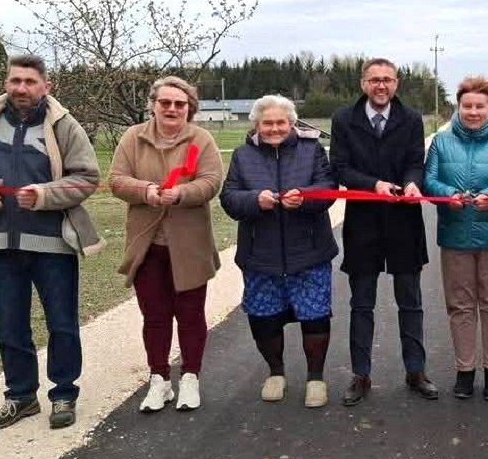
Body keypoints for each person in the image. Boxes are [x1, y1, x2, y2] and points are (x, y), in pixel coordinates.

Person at [0, 54, 104, 430]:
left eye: (30, 81)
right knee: (9, 324)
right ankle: (20, 397)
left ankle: (64, 394)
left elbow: (86, 177)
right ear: (6, 83)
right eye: (15, 80)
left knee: (62, 324)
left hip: (53, 243)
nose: (22, 88)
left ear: (45, 86)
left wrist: (45, 194)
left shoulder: (63, 125)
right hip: (1, 241)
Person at [109, 76, 223, 413]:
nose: (172, 109)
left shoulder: (201, 140)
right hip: (148, 244)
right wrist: (145, 191)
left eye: (180, 104)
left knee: (190, 314)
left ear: (190, 108)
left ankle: (190, 377)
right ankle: (159, 379)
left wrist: (181, 194)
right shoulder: (133, 137)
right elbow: (116, 179)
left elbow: (212, 181)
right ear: (153, 105)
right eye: (165, 103)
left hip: (189, 244)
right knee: (154, 316)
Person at [330, 58, 438, 405]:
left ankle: (416, 370)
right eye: (374, 80)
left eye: (387, 80)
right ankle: (360, 375)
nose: (381, 86)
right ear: (363, 83)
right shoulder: (344, 120)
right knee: (362, 303)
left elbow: (415, 161)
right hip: (362, 222)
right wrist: (373, 184)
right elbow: (341, 167)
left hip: (404, 220)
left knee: (411, 301)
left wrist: (410, 184)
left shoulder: (411, 119)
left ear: (396, 84)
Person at [221, 95, 338, 408]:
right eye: (267, 123)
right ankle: (276, 372)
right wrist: (255, 201)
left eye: (280, 123)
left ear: (291, 124)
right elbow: (229, 198)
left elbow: (328, 189)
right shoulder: (242, 155)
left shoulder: (312, 150)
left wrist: (305, 197)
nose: (274, 128)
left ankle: (315, 377)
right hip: (260, 254)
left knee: (315, 317)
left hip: (309, 251)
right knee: (264, 318)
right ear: (257, 125)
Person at [423, 76, 488, 401]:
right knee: (460, 306)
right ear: (459, 107)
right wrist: (448, 193)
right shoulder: (441, 142)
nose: (473, 111)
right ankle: (464, 370)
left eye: (480, 106)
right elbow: (430, 180)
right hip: (455, 236)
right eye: (467, 105)